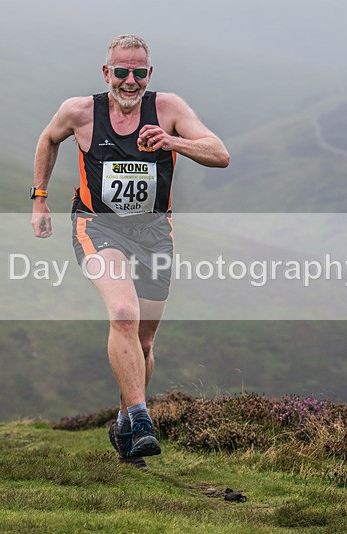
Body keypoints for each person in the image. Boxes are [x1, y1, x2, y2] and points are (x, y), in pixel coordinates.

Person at [31, 34, 229, 468]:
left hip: (155, 233)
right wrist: (39, 198)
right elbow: (48, 139)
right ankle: (141, 421)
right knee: (123, 314)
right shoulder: (80, 111)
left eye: (139, 72)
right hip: (98, 227)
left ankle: (123, 419)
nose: (129, 80)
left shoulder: (169, 109)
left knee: (144, 341)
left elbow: (220, 154)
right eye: (121, 72)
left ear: (149, 74)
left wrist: (174, 142)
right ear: (107, 73)